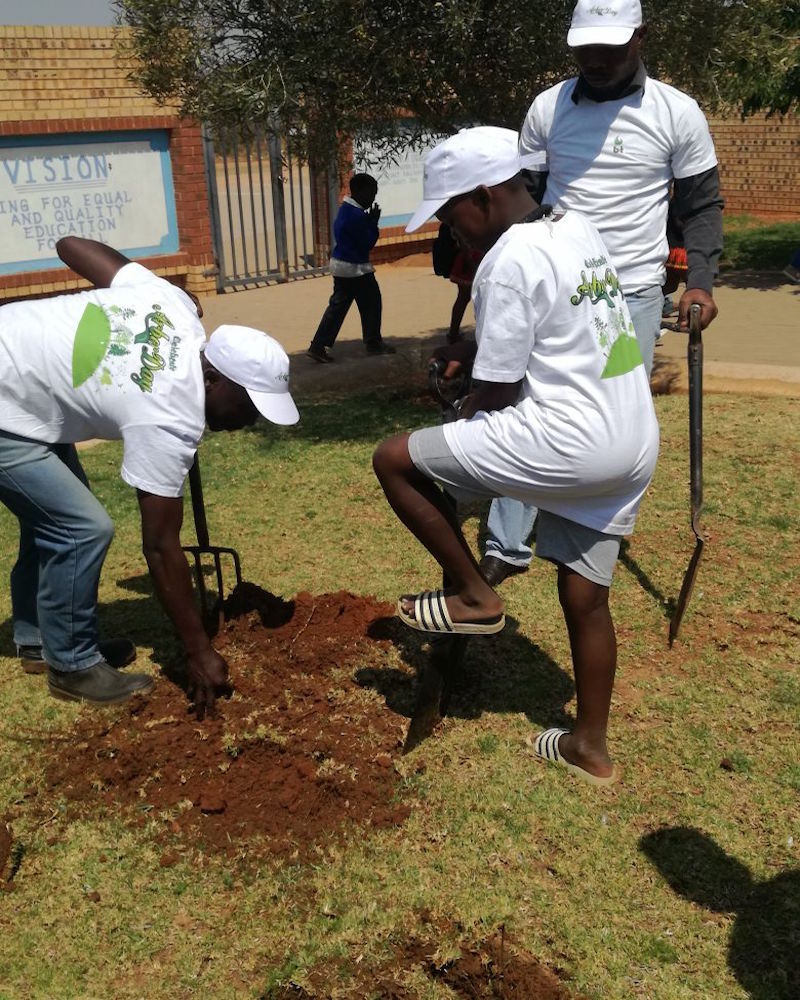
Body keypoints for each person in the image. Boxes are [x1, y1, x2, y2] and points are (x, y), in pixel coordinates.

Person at [373, 127, 660, 784]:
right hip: (630, 438)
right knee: (585, 598)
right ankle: (588, 747)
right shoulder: (575, 228)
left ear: (483, 196)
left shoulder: (505, 261)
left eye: (450, 214)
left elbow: (499, 395)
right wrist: (470, 355)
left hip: (568, 441)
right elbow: (559, 330)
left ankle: (476, 596)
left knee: (396, 460)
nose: (449, 230)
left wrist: (459, 417)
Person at [0, 237, 299, 715]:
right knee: (80, 529)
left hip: (23, 381)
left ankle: (41, 639)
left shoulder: (173, 304)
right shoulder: (168, 415)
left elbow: (70, 246)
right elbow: (160, 546)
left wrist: (167, 293)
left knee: (52, 516)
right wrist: (198, 651)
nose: (252, 421)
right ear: (213, 379)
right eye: (250, 405)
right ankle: (71, 666)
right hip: (8, 395)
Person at [481, 0, 724, 588]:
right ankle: (505, 544)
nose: (594, 59)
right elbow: (524, 195)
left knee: (609, 414)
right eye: (584, 47)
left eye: (608, 47)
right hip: (555, 283)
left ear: (640, 37)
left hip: (630, 294)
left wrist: (700, 281)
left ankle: (584, 536)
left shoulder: (676, 112)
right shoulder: (547, 108)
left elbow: (701, 204)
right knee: (525, 403)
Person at [307, 172, 395, 362]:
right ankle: (372, 343)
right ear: (361, 192)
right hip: (355, 268)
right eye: (372, 194)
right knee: (371, 303)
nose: (373, 198)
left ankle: (318, 345)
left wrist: (368, 221)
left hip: (343, 265)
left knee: (339, 307)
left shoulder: (346, 209)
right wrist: (373, 223)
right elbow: (367, 242)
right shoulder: (357, 215)